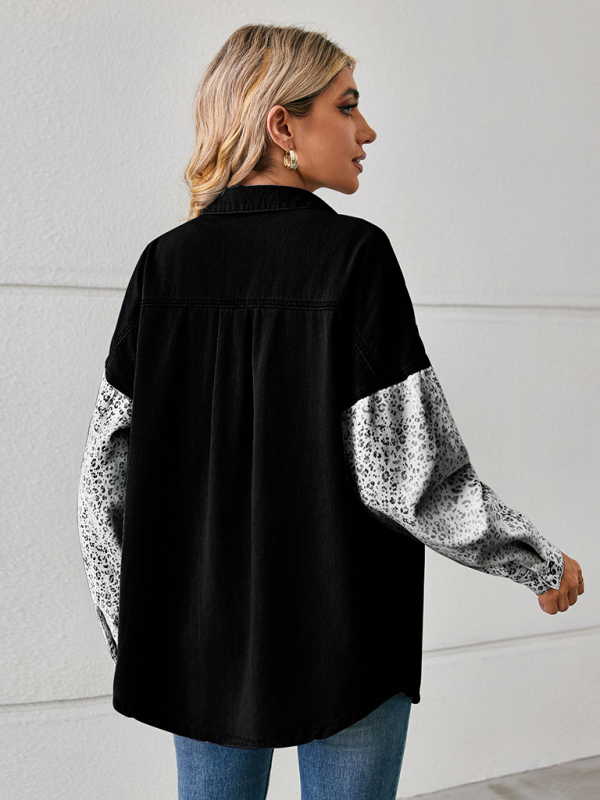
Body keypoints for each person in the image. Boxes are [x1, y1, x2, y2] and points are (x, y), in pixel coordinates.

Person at [77, 23, 585, 800]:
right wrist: (535, 561)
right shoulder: (355, 258)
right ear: (282, 125)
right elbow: (408, 478)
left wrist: (144, 633)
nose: (367, 130)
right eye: (347, 107)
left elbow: (102, 483)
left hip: (201, 640)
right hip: (347, 637)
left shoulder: (163, 267)